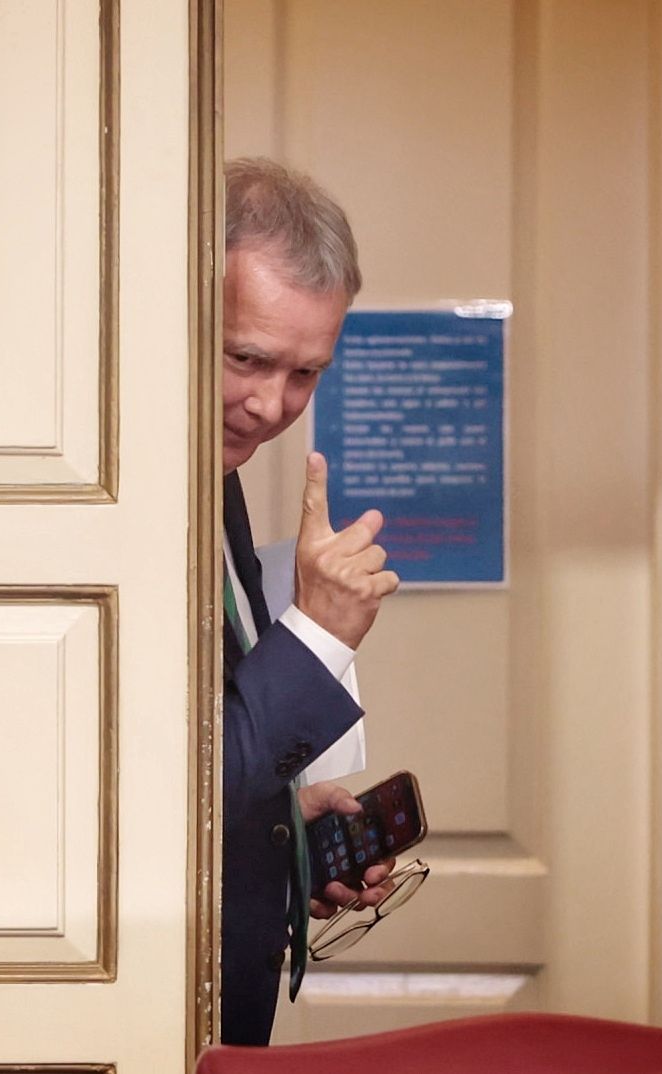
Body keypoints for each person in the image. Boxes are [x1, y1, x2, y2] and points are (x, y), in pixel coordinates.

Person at [219, 157, 402, 1046]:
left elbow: (222, 755)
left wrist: (287, 824)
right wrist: (321, 633)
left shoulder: (217, 480)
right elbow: (161, 784)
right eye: (247, 358)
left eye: (305, 374)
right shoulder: (112, 501)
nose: (268, 406)